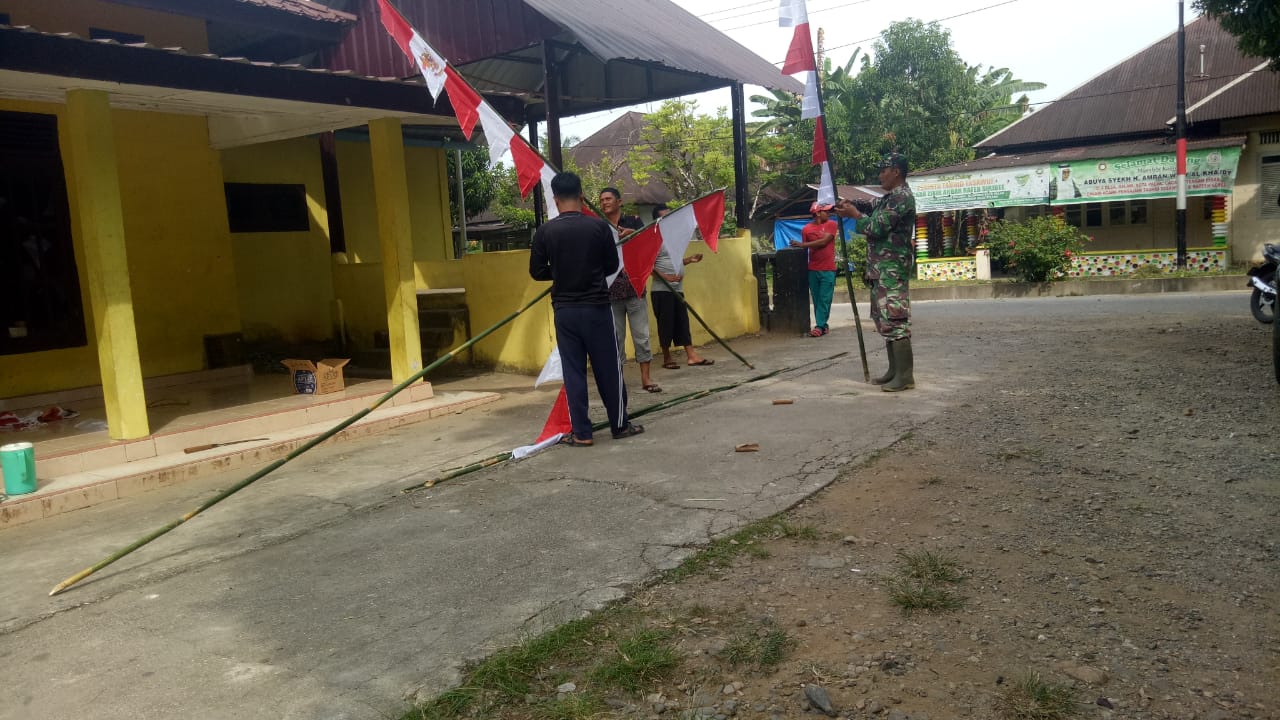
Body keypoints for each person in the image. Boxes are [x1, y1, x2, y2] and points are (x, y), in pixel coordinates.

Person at [529, 173, 644, 446]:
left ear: (556, 199)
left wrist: (559, 272)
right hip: (597, 308)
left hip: (565, 311)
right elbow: (610, 266)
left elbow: (536, 272)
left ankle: (582, 433)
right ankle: (619, 425)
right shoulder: (599, 229)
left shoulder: (545, 231)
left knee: (574, 371)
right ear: (581, 196)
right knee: (608, 368)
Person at [835, 152, 917, 392]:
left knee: (895, 319)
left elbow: (876, 226)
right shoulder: (888, 198)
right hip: (880, 269)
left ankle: (905, 376)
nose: (880, 175)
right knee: (884, 320)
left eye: (884, 170)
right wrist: (850, 206)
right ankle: (894, 371)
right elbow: (869, 206)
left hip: (892, 269)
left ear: (896, 172)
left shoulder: (902, 198)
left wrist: (855, 216)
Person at [600, 187, 660, 393]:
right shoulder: (599, 227)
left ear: (619, 202)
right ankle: (618, 381)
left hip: (635, 288)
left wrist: (632, 234)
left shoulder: (633, 222)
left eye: (608, 199)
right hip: (610, 293)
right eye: (601, 200)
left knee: (641, 337)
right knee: (615, 340)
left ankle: (646, 378)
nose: (605, 202)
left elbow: (649, 242)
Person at [649, 206, 714, 369]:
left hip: (677, 289)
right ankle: (667, 357)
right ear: (658, 220)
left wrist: (689, 260)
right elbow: (648, 266)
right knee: (666, 324)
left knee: (682, 322)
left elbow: (674, 261)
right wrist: (667, 278)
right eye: (666, 217)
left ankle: (691, 355)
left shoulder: (673, 239)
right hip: (662, 290)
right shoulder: (654, 238)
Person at [789, 202, 837, 337]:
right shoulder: (806, 229)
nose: (828, 213)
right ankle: (823, 325)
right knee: (816, 299)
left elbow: (823, 242)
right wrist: (803, 245)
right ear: (817, 213)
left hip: (828, 268)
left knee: (825, 298)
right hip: (813, 268)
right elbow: (806, 249)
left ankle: (819, 326)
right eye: (826, 211)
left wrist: (802, 244)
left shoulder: (831, 225)